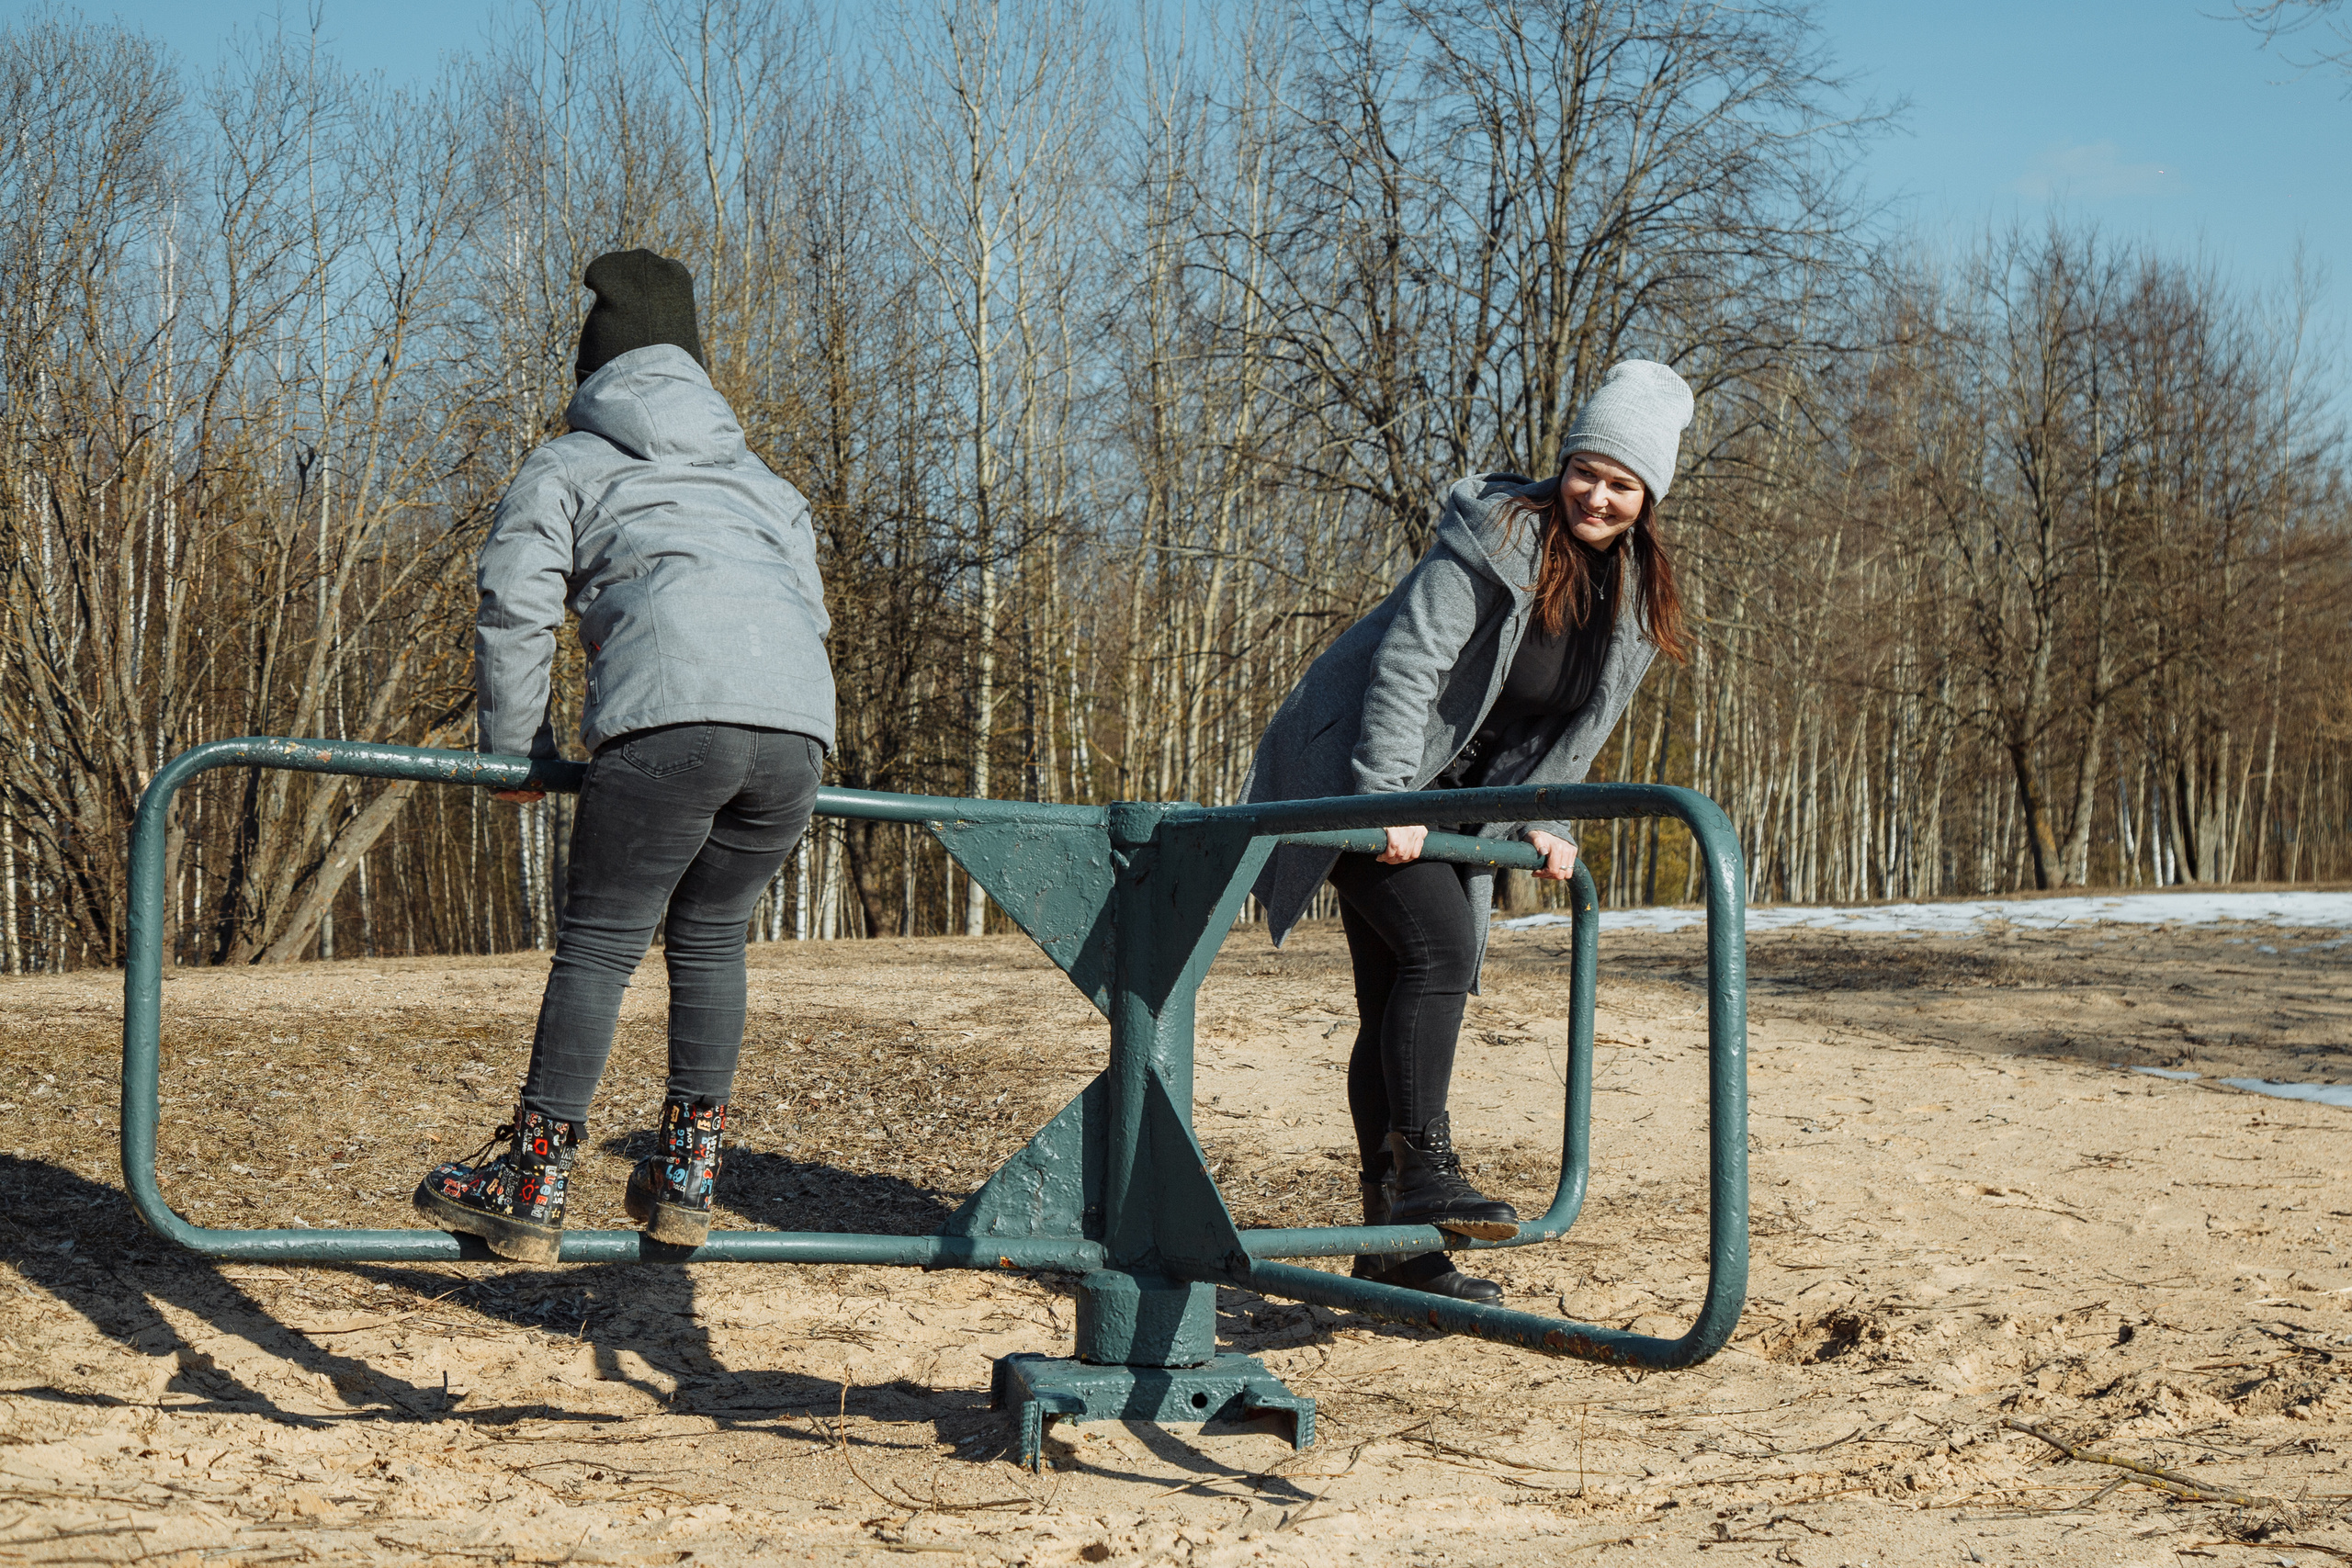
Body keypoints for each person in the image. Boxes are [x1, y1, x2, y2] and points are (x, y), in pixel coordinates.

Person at [414, 249, 835, 1263]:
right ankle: (686, 1176)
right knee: (712, 938)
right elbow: (810, 615)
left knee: (602, 944)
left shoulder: (569, 463)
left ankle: (535, 1174)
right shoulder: (761, 480)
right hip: (793, 739)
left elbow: (515, 605)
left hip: (669, 726)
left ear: (593, 371)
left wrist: (516, 753)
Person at [1243, 360, 1694, 1303]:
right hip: (1357, 771)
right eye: (1586, 470)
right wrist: (1380, 800)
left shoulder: (1637, 598)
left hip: (1449, 806)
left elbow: (1579, 729)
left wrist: (1549, 817)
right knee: (1441, 951)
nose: (1597, 496)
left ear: (1648, 497)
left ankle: (1393, 1248)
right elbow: (1407, 665)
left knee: (1395, 1003)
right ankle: (1428, 1177)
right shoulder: (1497, 535)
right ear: (1563, 463)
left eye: (1621, 483)